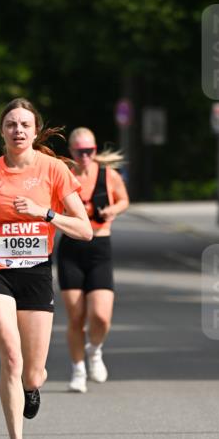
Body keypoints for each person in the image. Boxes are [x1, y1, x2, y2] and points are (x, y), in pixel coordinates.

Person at [0, 98, 92, 439]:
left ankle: (32, 388)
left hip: (35, 272)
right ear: (0, 131)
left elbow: (84, 230)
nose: (18, 130)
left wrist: (45, 213)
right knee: (11, 361)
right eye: (11, 124)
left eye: (25, 125)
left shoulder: (54, 170)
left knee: (32, 372)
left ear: (35, 131)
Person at [58, 128, 130, 393]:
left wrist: (113, 209)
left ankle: (95, 350)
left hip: (100, 247)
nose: (85, 156)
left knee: (101, 316)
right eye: (80, 151)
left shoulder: (108, 175)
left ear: (95, 149)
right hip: (71, 249)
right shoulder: (64, 176)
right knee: (76, 316)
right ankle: (78, 370)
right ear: (71, 152)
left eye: (90, 150)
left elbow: (124, 200)